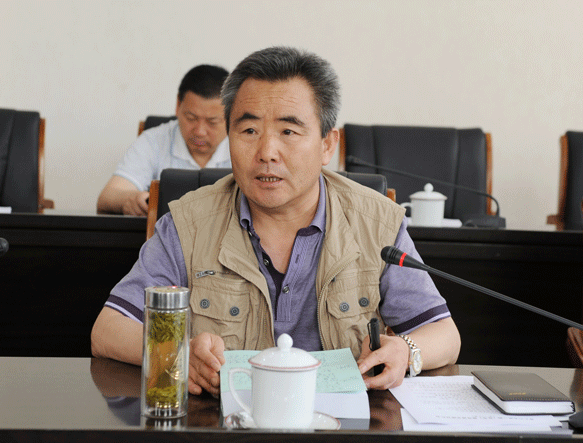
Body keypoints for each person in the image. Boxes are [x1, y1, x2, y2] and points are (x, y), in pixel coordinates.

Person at [91, 47, 460, 396]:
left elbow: (444, 335)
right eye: (249, 131)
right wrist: (178, 354)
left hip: (343, 423)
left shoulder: (376, 222)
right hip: (221, 422)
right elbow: (108, 330)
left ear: (327, 144)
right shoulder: (189, 223)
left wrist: (406, 350)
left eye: (288, 131)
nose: (266, 152)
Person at [97, 64, 231, 216]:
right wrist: (131, 199)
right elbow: (107, 196)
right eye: (191, 118)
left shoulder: (245, 144)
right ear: (178, 106)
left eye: (212, 122)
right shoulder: (153, 141)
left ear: (231, 114)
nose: (200, 132)